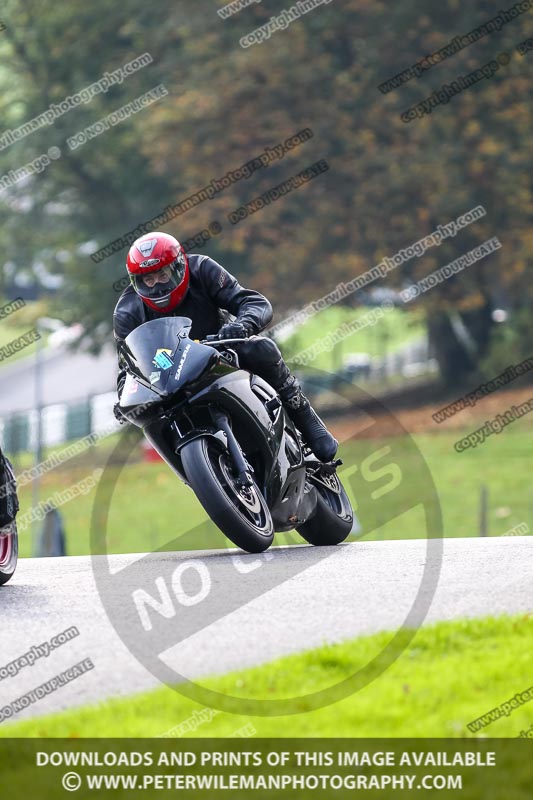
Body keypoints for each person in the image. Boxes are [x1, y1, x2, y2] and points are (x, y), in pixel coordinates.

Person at [113, 232, 338, 461]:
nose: (157, 286)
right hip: (171, 381)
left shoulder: (202, 269)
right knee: (149, 416)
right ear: (137, 282)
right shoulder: (126, 312)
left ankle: (305, 417)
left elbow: (252, 302)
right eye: (148, 280)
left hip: (221, 353)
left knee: (261, 349)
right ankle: (197, 473)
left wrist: (242, 325)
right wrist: (124, 398)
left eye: (163, 275)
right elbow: (128, 366)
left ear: (179, 267)